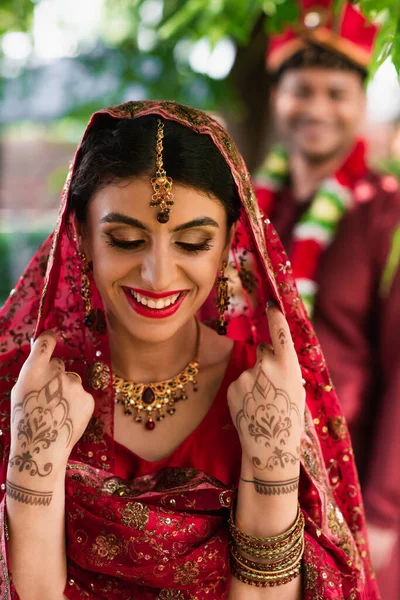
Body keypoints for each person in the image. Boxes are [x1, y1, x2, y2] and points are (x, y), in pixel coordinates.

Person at [0, 101, 378, 599]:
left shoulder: (266, 397)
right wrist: (32, 466)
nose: (158, 275)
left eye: (193, 243)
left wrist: (272, 466)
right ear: (83, 238)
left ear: (228, 247)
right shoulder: (26, 392)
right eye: (127, 240)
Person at [254, 2, 400, 597]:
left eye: (336, 93)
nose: (316, 108)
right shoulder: (246, 211)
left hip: (354, 484)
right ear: (276, 99)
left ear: (361, 104)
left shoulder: (386, 213)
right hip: (253, 474)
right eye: (301, 90)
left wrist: (387, 513)